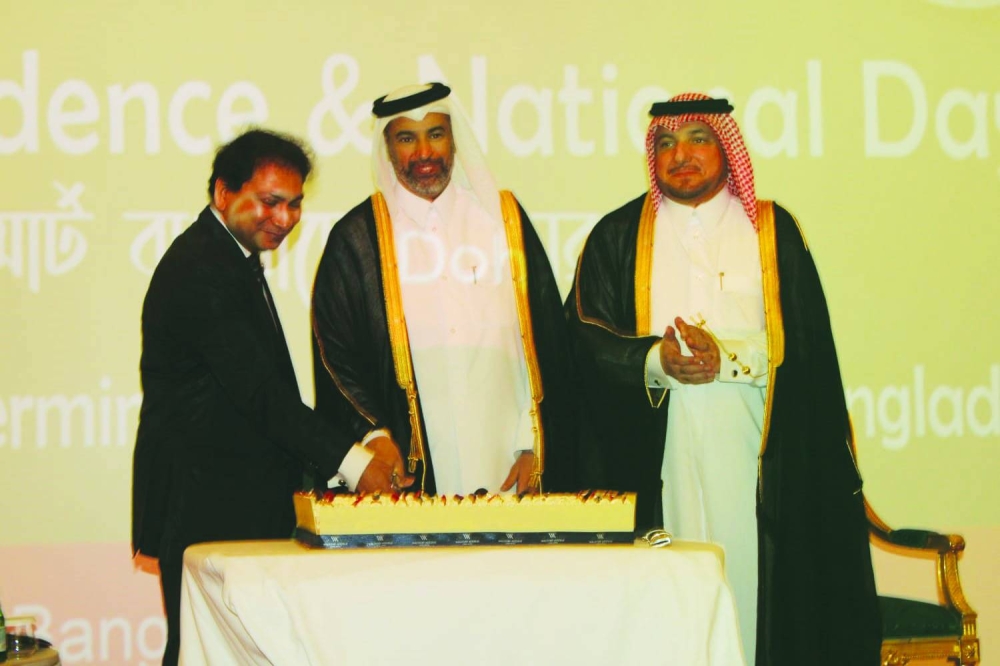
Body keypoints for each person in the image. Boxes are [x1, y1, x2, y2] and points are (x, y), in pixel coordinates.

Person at [566, 93, 881, 665]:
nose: (680, 155)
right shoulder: (616, 237)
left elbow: (805, 347)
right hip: (660, 465)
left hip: (754, 459)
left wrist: (729, 358)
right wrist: (657, 360)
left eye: (697, 139)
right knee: (675, 613)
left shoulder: (770, 230)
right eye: (666, 143)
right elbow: (583, 344)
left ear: (725, 147)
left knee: (751, 599)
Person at [131, 129, 411, 665]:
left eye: (295, 204)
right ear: (221, 193)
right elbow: (261, 397)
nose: (283, 219)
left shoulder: (228, 257)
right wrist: (356, 464)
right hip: (206, 510)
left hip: (231, 506)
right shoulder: (202, 271)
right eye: (270, 202)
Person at [311, 82, 574, 497]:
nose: (424, 154)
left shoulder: (500, 220)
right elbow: (336, 356)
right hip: (410, 472)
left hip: (506, 461)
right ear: (387, 146)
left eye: (436, 134)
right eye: (406, 138)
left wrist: (532, 442)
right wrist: (373, 438)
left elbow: (545, 340)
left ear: (454, 139)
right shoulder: (358, 238)